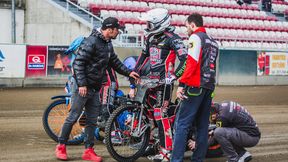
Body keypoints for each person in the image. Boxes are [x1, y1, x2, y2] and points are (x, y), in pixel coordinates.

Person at [55, 17, 139, 162]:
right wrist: (82, 84)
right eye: (117, 29)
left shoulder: (107, 43)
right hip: (82, 87)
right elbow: (78, 63)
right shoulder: (91, 41)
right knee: (73, 116)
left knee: (92, 121)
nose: (118, 32)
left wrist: (128, 72)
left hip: (94, 87)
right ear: (110, 29)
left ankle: (88, 150)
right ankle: (61, 146)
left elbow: (114, 61)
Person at [130, 8, 188, 162]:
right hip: (150, 81)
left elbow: (185, 60)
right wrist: (135, 71)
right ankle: (150, 143)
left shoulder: (173, 39)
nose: (148, 26)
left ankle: (167, 152)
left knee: (160, 114)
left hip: (165, 83)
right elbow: (142, 57)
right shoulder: (149, 38)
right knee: (147, 112)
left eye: (150, 23)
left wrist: (175, 76)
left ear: (160, 23)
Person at [171, 13, 219, 162]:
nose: (186, 31)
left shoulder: (195, 37)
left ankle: (176, 159)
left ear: (193, 25)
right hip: (209, 87)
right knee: (203, 126)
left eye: (187, 27)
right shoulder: (214, 42)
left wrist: (181, 84)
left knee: (182, 125)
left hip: (194, 86)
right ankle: (198, 159)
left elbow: (191, 63)